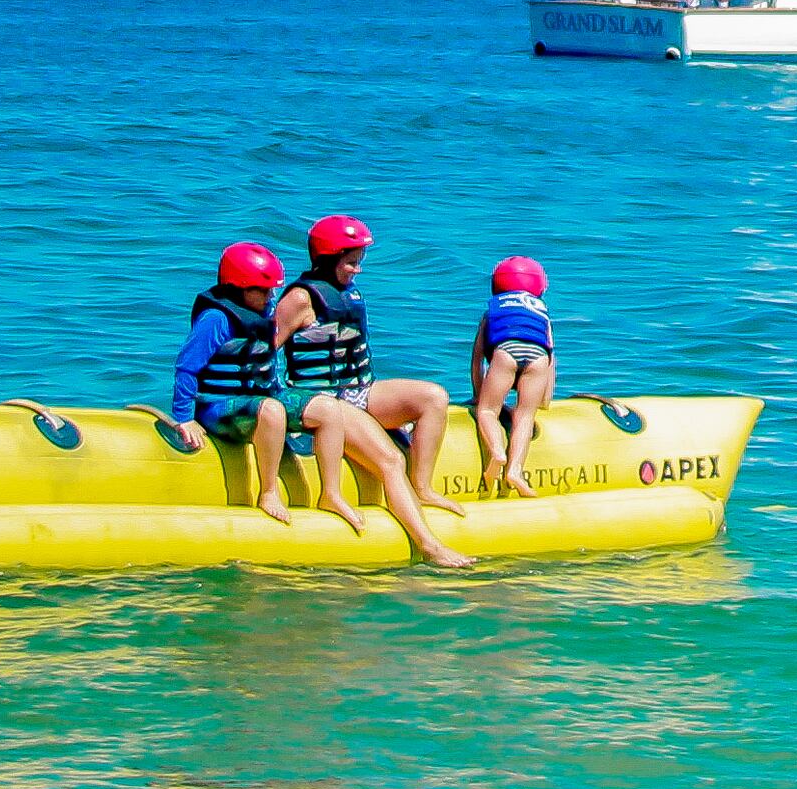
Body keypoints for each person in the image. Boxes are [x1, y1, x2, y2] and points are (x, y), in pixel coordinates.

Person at [274, 214, 475, 569]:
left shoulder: (346, 293)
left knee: (433, 397)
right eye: (351, 262)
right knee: (390, 460)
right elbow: (263, 351)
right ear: (328, 258)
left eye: (359, 261)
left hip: (358, 391)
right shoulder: (300, 299)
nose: (358, 270)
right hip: (324, 400)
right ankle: (429, 545)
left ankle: (423, 487)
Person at [163, 239, 300, 517]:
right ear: (238, 288)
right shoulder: (216, 319)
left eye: (272, 290)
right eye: (262, 290)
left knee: (325, 409)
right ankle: (269, 493)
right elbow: (187, 368)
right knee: (272, 410)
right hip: (217, 408)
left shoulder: (263, 315)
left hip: (257, 403)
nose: (270, 297)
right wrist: (184, 418)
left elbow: (267, 366)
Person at [471, 254, 559, 497]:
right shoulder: (542, 314)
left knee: (488, 411)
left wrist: (479, 396)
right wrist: (545, 399)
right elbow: (550, 358)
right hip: (538, 358)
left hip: (506, 352)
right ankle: (515, 471)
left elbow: (477, 358)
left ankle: (497, 453)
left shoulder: (491, 312)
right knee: (525, 415)